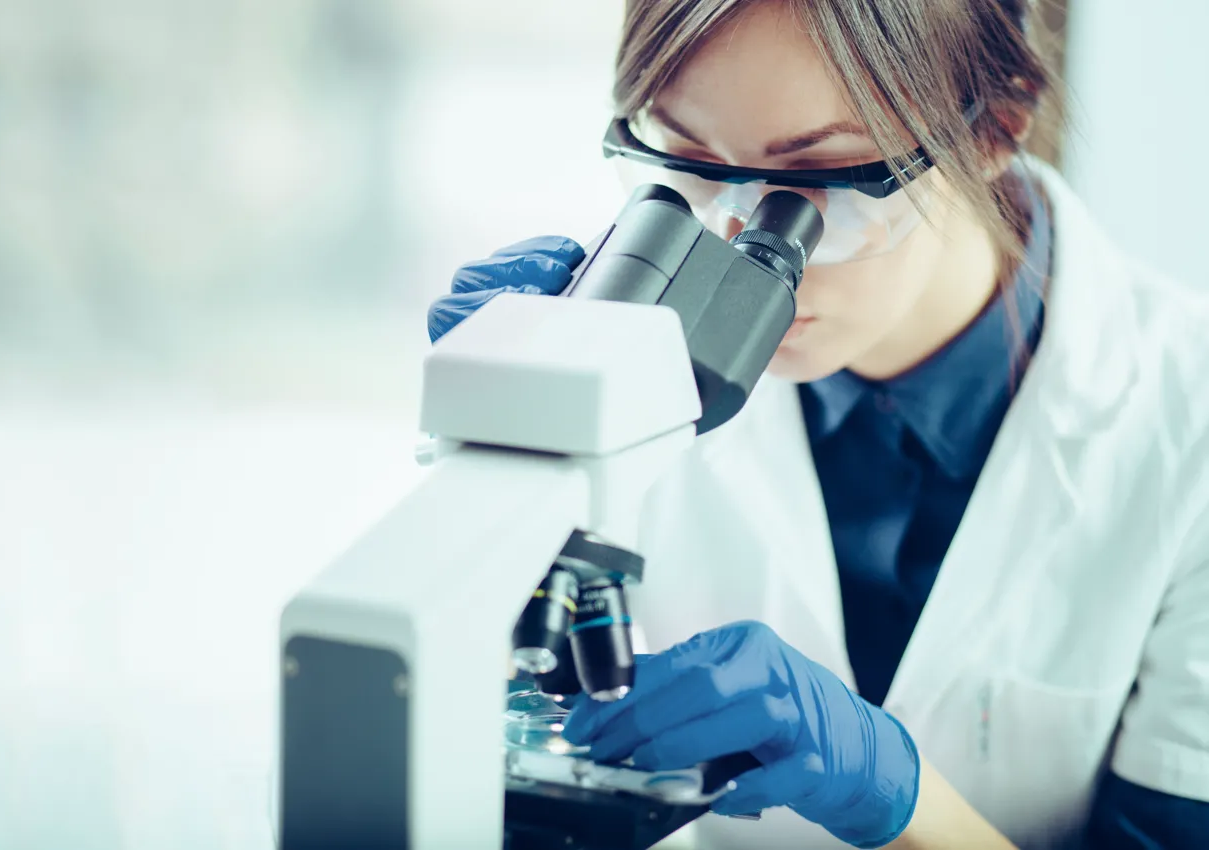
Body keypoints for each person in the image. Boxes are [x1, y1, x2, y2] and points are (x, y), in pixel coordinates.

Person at [428, 1, 1209, 847]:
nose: (733, 240)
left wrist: (901, 801)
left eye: (820, 180)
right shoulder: (630, 344)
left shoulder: (1184, 419)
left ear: (997, 127)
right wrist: (496, 448)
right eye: (685, 160)